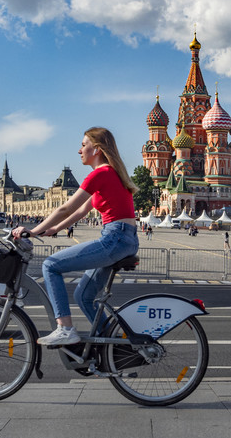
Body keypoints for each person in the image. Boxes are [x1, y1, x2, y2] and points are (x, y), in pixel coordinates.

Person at [12, 127, 139, 346]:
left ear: (96, 149)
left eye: (83, 145)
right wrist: (54, 229)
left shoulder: (100, 174)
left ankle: (65, 328)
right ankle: (113, 347)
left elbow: (66, 208)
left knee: (51, 265)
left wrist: (32, 231)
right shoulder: (111, 174)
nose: (79, 150)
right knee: (83, 296)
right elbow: (81, 212)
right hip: (123, 239)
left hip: (115, 237)